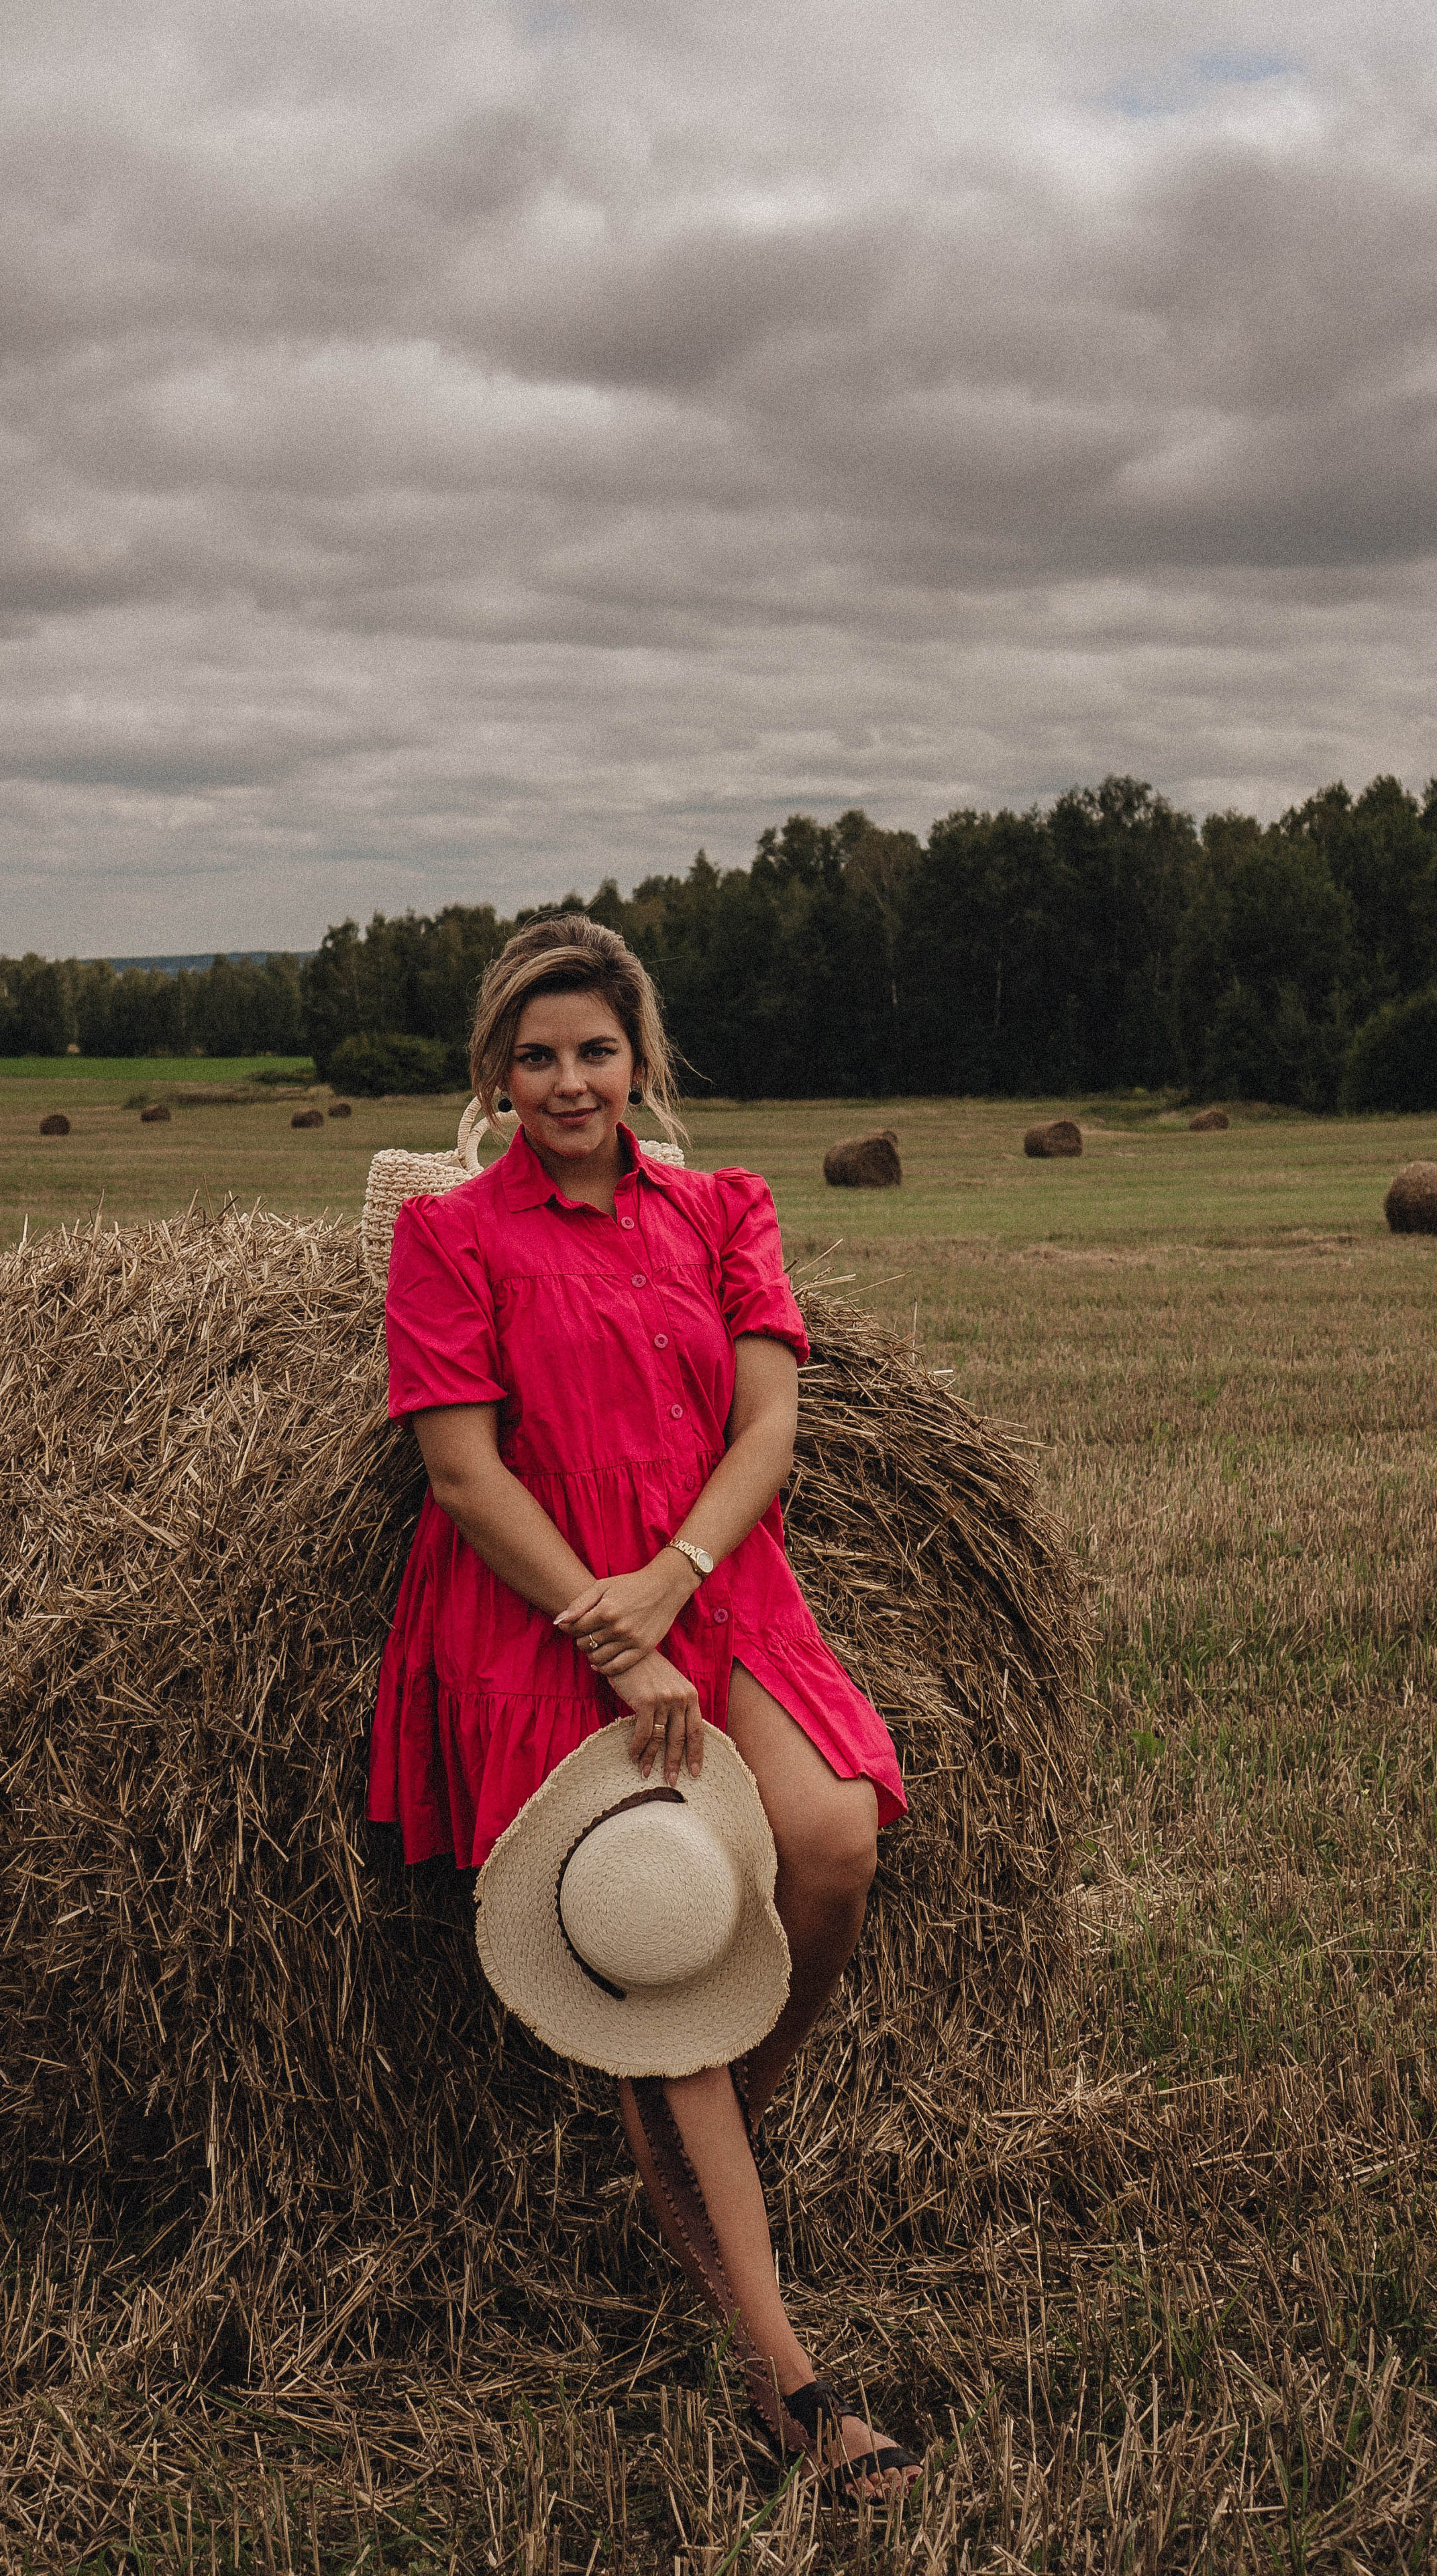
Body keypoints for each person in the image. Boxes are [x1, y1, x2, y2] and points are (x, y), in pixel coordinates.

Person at [368, 914, 920, 2500]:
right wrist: (613, 1636)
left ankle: (695, 2148)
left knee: (828, 1848)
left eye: (592, 1051)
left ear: (637, 1060)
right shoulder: (454, 1237)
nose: (566, 1082)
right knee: (669, 1931)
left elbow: (767, 1427)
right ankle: (793, 2388)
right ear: (493, 1073)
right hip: (540, 1612)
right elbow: (462, 1472)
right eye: (532, 1057)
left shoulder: (722, 1207)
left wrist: (673, 1583)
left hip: (713, 1584)